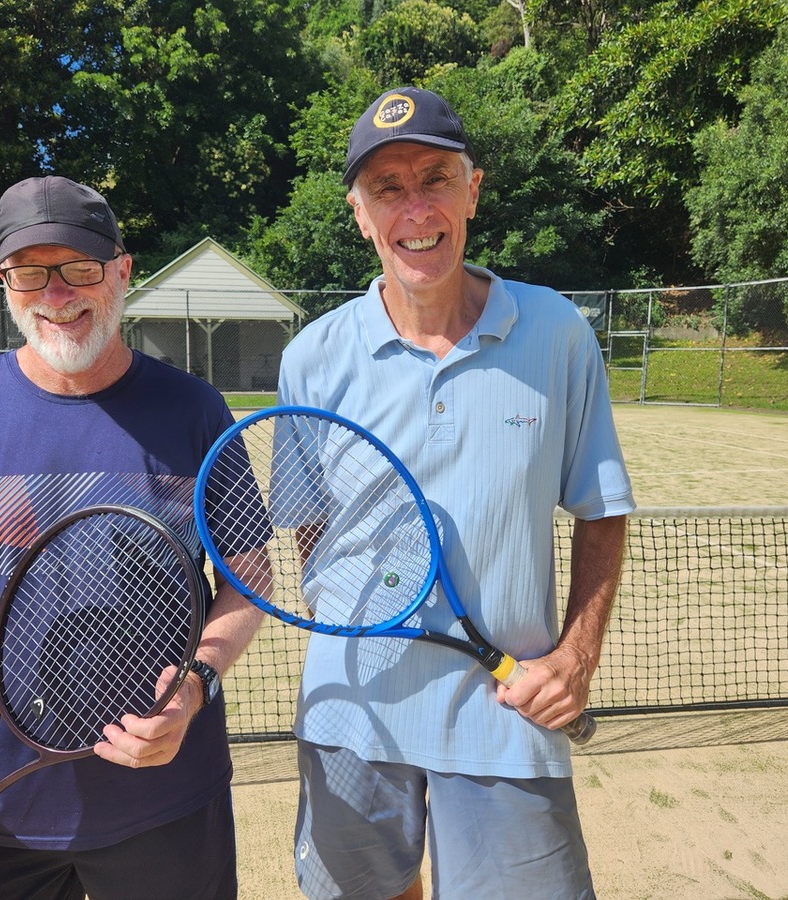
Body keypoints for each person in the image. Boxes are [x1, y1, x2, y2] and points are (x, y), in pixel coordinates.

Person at [277, 87, 636, 899]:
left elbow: (601, 509)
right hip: (351, 713)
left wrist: (576, 657)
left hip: (508, 717)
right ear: (360, 214)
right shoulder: (311, 357)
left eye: (435, 178)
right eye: (387, 189)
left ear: (472, 190)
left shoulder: (558, 333)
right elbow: (312, 535)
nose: (415, 208)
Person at [0, 175, 269, 900]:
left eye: (80, 268)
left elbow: (247, 581)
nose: (56, 294)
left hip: (170, 806)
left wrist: (197, 683)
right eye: (29, 273)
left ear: (121, 269)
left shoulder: (197, 412)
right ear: (4, 283)